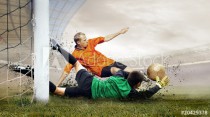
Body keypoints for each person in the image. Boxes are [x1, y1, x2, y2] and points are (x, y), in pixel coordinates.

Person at [50, 39, 169, 99]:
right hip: (89, 92)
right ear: (137, 84)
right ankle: (34, 74)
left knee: (75, 63)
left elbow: (118, 71)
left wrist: (135, 75)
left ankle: (58, 47)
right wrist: (159, 85)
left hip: (90, 80)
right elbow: (146, 95)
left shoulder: (119, 77)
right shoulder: (128, 93)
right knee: (57, 91)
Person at [57, 27, 134, 86]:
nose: (86, 41)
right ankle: (126, 90)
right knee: (117, 71)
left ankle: (136, 89)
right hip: (101, 70)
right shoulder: (75, 55)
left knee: (133, 72)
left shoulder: (90, 43)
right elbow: (66, 71)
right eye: (84, 40)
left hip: (110, 62)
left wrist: (119, 32)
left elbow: (105, 38)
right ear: (78, 42)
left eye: (86, 39)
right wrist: (57, 85)